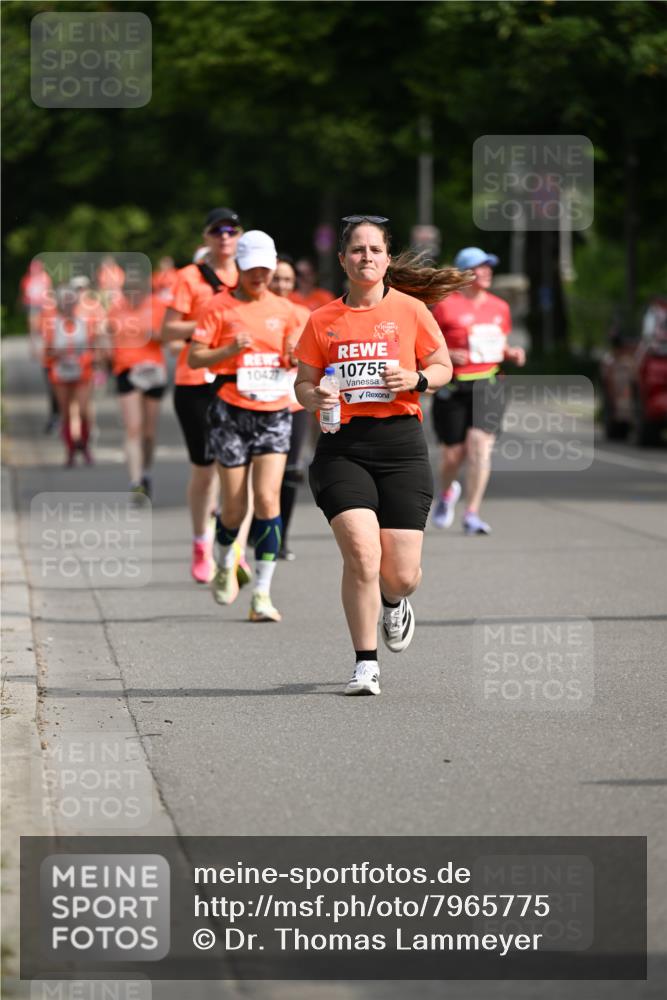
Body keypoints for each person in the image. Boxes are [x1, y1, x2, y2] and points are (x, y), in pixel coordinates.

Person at [294, 215, 469, 696]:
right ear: (343, 259)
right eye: (357, 250)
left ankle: (395, 601)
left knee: (402, 574)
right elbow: (303, 383)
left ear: (387, 258)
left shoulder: (411, 311)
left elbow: (442, 365)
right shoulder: (322, 320)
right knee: (362, 555)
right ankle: (365, 663)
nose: (365, 257)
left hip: (401, 447)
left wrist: (415, 380)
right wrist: (316, 397)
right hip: (342, 448)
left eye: (374, 250)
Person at [189, 231, 301, 622]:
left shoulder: (287, 310)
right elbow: (195, 357)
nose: (259, 277)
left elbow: (299, 358)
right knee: (234, 508)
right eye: (252, 269)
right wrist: (229, 350)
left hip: (274, 412)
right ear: (239, 266)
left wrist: (292, 358)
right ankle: (224, 563)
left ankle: (262, 595)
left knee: (268, 500)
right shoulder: (217, 307)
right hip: (230, 412)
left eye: (265, 270)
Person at [161, 207, 246, 584]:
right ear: (207, 237)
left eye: (231, 230)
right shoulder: (189, 277)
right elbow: (167, 331)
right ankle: (200, 541)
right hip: (195, 380)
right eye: (217, 231)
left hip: (241, 378)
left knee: (239, 467)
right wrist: (213, 321)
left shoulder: (250, 273)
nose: (225, 237)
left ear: (240, 235)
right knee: (205, 466)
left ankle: (234, 546)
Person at [431, 247, 526, 535]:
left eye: (489, 267)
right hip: (454, 385)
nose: (486, 272)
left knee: (479, 444)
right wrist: (447, 352)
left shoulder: (499, 307)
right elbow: (425, 345)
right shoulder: (446, 305)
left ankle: (472, 513)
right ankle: (447, 493)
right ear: (464, 274)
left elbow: (499, 344)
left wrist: (512, 353)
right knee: (452, 455)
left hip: (490, 383)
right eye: (479, 267)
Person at [107, 273, 168, 498]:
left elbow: (167, 336)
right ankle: (136, 481)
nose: (132, 295)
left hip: (152, 371)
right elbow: (109, 335)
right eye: (128, 290)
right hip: (126, 370)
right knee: (133, 428)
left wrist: (156, 335)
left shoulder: (157, 306)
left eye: (137, 289)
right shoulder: (116, 308)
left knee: (149, 433)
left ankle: (146, 470)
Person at [270, 254, 312, 559]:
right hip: (259, 400)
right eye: (276, 279)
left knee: (291, 470)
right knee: (260, 473)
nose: (281, 284)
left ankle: (281, 536)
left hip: (293, 400)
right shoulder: (252, 311)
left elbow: (314, 356)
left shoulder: (302, 313)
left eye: (287, 279)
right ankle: (256, 529)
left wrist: (299, 356)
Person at [42, 284, 100, 466]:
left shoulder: (85, 321)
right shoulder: (51, 323)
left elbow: (95, 346)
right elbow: (46, 352)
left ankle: (84, 444)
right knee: (66, 412)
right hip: (60, 373)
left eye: (70, 299)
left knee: (83, 410)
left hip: (82, 371)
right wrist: (57, 353)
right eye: (64, 300)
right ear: (58, 302)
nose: (67, 303)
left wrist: (90, 356)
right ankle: (70, 450)